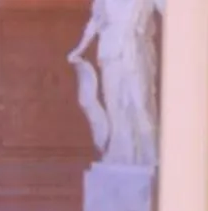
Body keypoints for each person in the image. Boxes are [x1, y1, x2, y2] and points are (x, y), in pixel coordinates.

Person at [68, 0, 163, 167]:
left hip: (136, 54)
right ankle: (121, 155)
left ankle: (151, 156)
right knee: (115, 107)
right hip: (110, 54)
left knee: (141, 106)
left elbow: (175, 14)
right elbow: (95, 22)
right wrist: (79, 49)